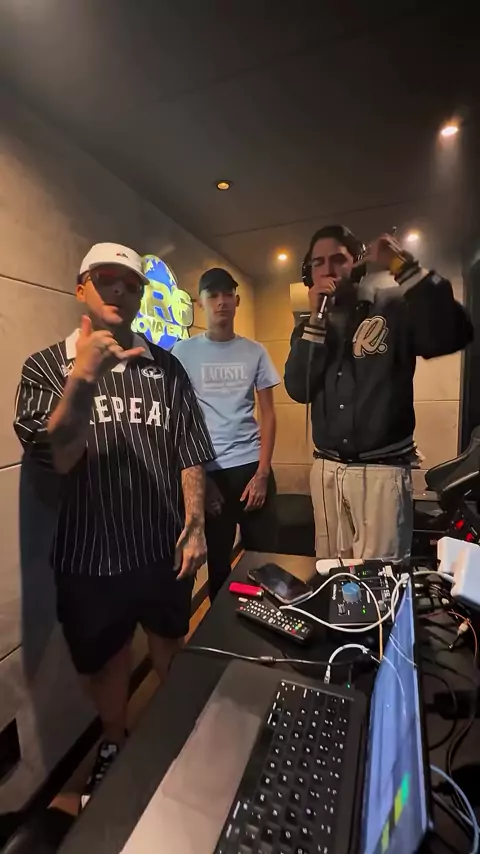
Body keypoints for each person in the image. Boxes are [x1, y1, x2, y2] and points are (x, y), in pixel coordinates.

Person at [14, 242, 215, 808]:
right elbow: (56, 456)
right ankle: (114, 741)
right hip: (89, 556)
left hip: (160, 545)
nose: (121, 290)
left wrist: (196, 521)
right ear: (81, 286)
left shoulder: (165, 367)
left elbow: (189, 448)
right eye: (107, 279)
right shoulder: (46, 367)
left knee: (170, 641)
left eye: (131, 283)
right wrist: (83, 377)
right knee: (105, 661)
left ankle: (175, 736)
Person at [284, 225, 473, 561]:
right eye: (317, 263)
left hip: (382, 472)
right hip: (326, 471)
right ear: (308, 273)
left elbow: (453, 332)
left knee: (381, 576)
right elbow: (298, 388)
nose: (327, 269)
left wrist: (404, 267)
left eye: (337, 259)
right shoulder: (309, 326)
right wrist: (315, 322)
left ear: (356, 263)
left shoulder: (393, 305)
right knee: (331, 570)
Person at [172, 268, 280, 600]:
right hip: (208, 471)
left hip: (251, 469)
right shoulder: (182, 352)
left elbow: (268, 414)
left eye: (227, 294)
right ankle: (223, 626)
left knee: (264, 558)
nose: (221, 302)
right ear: (200, 302)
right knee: (219, 565)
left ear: (237, 300)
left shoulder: (255, 351)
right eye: (212, 295)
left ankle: (266, 618)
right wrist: (202, 481)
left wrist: (262, 473)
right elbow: (178, 419)